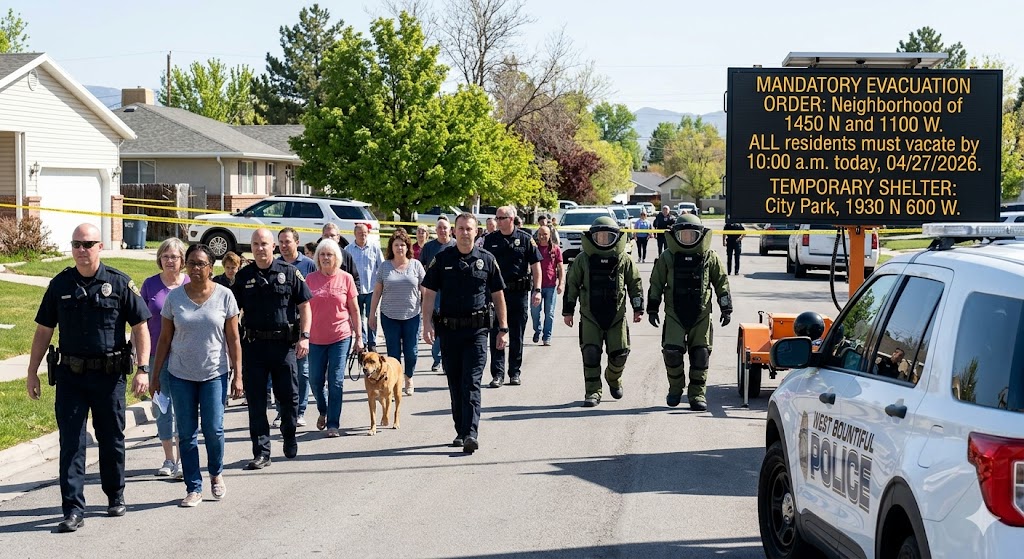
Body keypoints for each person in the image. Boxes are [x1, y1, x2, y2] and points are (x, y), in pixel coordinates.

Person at [26, 223, 151, 532]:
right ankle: (72, 508)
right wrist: (32, 372)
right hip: (70, 377)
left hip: (109, 378)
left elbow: (141, 326)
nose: (82, 250)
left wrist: (143, 368)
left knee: (112, 439)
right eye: (76, 244)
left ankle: (115, 494)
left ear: (99, 246)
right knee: (71, 442)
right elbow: (44, 330)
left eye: (88, 244)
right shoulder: (60, 285)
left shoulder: (119, 283)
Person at [150, 244, 243, 507]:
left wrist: (238, 375)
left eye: (200, 263)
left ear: (211, 267)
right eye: (190, 263)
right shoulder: (175, 298)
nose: (195, 268)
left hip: (214, 373)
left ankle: (216, 473)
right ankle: (193, 486)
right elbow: (165, 339)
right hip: (180, 374)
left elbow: (233, 338)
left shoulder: (225, 296)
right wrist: (155, 374)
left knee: (214, 429)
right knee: (187, 433)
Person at [422, 213, 508, 454]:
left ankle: (471, 433)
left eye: (469, 229)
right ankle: (460, 430)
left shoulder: (487, 259)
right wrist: (426, 323)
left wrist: (503, 329)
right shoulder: (441, 260)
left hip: (477, 332)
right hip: (449, 332)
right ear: (453, 232)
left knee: (471, 382)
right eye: (460, 229)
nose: (464, 232)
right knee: (455, 382)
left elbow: (498, 295)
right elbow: (428, 293)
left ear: (476, 231)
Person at [231, 228, 312, 469]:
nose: (260, 248)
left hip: (284, 346)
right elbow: (231, 312)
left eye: (264, 243)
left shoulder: (289, 273)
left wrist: (305, 337)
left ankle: (289, 435)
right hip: (254, 347)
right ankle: (261, 452)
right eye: (255, 244)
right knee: (256, 402)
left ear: (273, 247)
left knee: (288, 398)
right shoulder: (244, 277)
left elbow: (305, 305)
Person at [647, 214, 732, 411]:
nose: (687, 239)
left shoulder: (711, 257)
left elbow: (721, 283)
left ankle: (697, 394)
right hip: (674, 314)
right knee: (672, 352)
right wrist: (652, 308)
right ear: (675, 235)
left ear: (700, 235)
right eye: (683, 235)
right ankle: (675, 388)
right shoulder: (667, 257)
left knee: (700, 355)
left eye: (691, 235)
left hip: (701, 314)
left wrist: (726, 307)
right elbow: (656, 283)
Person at [562, 217, 644, 407]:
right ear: (592, 237)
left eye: (608, 237)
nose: (604, 240)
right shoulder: (583, 259)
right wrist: (568, 311)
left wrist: (638, 308)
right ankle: (592, 392)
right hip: (590, 316)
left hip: (617, 316)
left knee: (620, 354)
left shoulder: (624, 258)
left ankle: (613, 378)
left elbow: (635, 284)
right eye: (599, 237)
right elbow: (572, 285)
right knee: (590, 353)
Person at [140, 238, 189, 479]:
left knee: (184, 408)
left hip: (186, 357)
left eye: (175, 256)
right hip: (157, 357)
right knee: (161, 407)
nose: (170, 261)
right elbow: (140, 323)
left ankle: (182, 459)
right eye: (166, 256)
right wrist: (138, 359)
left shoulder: (191, 284)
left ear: (183, 261)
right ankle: (168, 458)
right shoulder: (149, 285)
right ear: (160, 259)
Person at [306, 239, 363, 438]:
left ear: (337, 257)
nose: (325, 258)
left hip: (341, 336)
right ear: (317, 257)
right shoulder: (310, 279)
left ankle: (333, 423)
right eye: (322, 254)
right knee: (314, 380)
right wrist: (302, 336)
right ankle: (323, 409)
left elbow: (355, 310)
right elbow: (303, 310)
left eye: (329, 254)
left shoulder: (346, 278)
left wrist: (359, 337)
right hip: (315, 338)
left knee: (336, 380)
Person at [483, 205, 542, 388]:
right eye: (497, 218)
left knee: (516, 335)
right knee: (496, 334)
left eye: (501, 218)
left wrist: (537, 289)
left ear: (511, 219)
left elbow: (535, 266)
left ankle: (514, 372)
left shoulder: (525, 239)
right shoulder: (490, 240)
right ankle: (497, 374)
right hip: (497, 294)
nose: (498, 221)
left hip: (518, 294)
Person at [369, 229, 426, 395]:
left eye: (402, 245)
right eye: (396, 245)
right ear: (391, 247)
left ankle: (408, 377)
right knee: (393, 353)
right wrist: (371, 314)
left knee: (411, 351)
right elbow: (377, 292)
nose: (399, 248)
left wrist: (429, 313)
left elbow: (425, 290)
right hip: (389, 316)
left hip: (412, 315)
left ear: (407, 247)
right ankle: (395, 383)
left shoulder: (416, 265)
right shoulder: (385, 267)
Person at [276, 227, 316, 429]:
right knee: (280, 372)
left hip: (301, 326)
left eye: (288, 241)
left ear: (296, 243)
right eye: (281, 241)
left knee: (302, 371)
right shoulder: (275, 265)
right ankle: (280, 411)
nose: (284, 245)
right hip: (280, 327)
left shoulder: (308, 265)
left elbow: (312, 296)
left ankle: (300, 410)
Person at [418, 216, 455, 371]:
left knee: (450, 328)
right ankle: (437, 358)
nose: (442, 230)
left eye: (445, 228)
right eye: (439, 228)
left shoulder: (455, 245)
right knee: (437, 326)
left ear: (450, 230)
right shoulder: (428, 247)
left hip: (452, 292)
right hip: (434, 292)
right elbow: (421, 268)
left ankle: (447, 360)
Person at [346, 223, 384, 349]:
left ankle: (372, 342)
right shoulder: (348, 250)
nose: (362, 236)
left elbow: (382, 267)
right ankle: (361, 340)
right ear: (354, 234)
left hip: (372, 289)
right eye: (360, 233)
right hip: (355, 290)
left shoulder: (374, 248)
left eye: (365, 233)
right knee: (358, 316)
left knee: (372, 315)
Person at [530, 226, 564, 346]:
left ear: (550, 235)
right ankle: (537, 330)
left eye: (545, 234)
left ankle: (547, 336)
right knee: (535, 312)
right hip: (536, 287)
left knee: (549, 313)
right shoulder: (534, 249)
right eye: (540, 234)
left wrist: (561, 283)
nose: (542, 236)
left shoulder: (555, 249)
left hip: (550, 286)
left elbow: (560, 268)